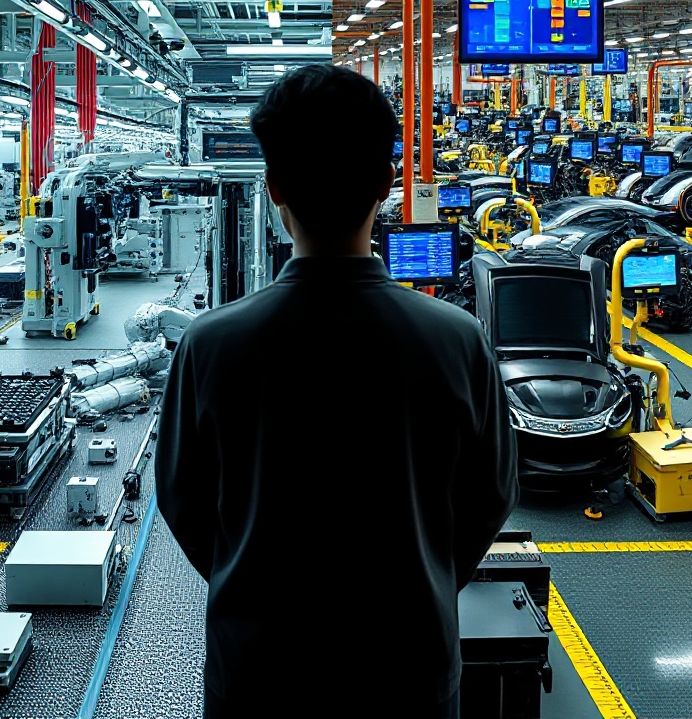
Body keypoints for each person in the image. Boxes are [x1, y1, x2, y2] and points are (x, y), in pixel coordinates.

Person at [155, 64, 518, 718]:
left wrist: (252, 584)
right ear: (386, 183)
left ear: (272, 187)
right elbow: (489, 500)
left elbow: (183, 505)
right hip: (409, 673)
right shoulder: (459, 341)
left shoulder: (209, 346)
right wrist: (425, 579)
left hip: (259, 675)